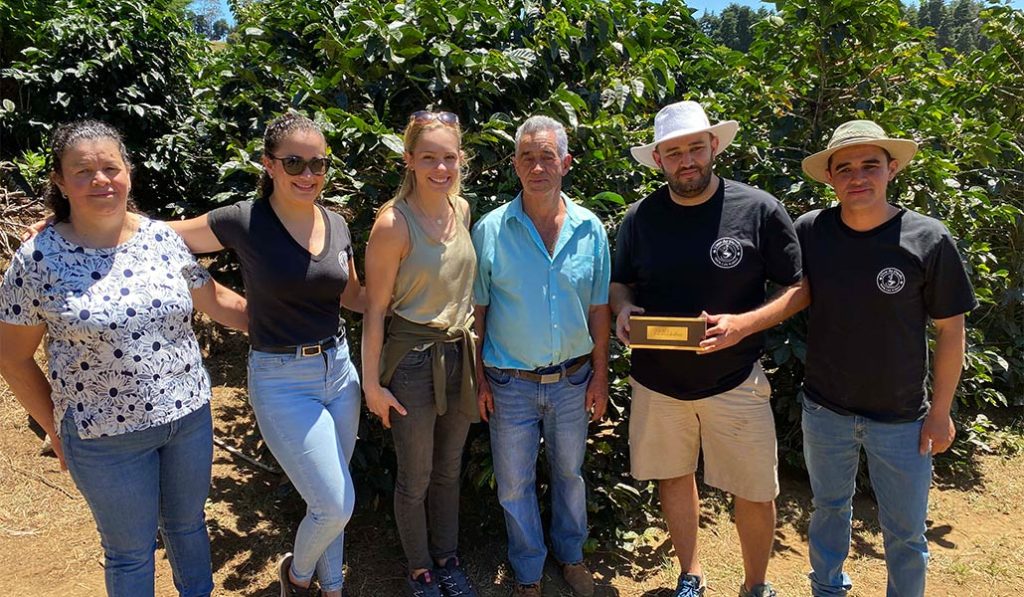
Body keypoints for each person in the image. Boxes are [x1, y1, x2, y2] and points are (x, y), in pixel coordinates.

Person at [0, 120, 247, 597]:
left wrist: (298, 320)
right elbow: (12, 357)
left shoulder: (161, 239)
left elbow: (215, 301)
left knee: (188, 526)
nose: (100, 179)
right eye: (83, 170)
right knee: (131, 553)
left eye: (110, 167)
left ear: (128, 173)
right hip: (103, 437)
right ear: (59, 180)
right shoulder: (38, 260)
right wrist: (55, 426)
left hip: (188, 419)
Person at [611, 100, 804, 597]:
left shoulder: (758, 209)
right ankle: (691, 575)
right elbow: (620, 283)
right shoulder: (640, 218)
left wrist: (745, 324)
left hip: (735, 378)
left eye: (696, 147)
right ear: (659, 160)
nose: (687, 160)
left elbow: (798, 288)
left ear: (714, 146)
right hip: (658, 383)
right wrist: (624, 310)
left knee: (755, 490)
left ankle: (755, 585)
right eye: (674, 153)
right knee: (674, 478)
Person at [168, 113, 365, 597]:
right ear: (269, 165)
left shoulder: (336, 224)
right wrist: (78, 222)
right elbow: (163, 236)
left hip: (339, 370)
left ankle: (333, 587)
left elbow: (356, 297)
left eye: (317, 163)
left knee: (334, 491)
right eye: (294, 161)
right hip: (281, 379)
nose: (308, 174)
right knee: (334, 503)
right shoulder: (245, 220)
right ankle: (297, 577)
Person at [796, 120, 976, 597]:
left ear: (891, 169)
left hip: (901, 418)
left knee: (906, 533)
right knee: (828, 509)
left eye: (870, 165)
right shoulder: (811, 232)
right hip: (824, 409)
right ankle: (827, 588)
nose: (859, 177)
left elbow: (951, 331)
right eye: (846, 168)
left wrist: (940, 412)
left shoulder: (928, 238)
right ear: (830, 178)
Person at [472, 115, 611, 597]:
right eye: (527, 157)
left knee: (570, 475)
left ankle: (571, 556)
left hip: (573, 382)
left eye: (547, 156)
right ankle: (528, 570)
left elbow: (599, 311)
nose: (537, 166)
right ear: (514, 164)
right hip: (509, 384)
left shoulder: (591, 230)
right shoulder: (490, 230)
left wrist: (600, 378)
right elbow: (479, 313)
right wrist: (480, 381)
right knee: (513, 485)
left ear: (566, 164)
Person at [361, 110, 478, 597]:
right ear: (409, 160)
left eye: (449, 157)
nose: (440, 168)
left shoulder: (462, 209)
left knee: (450, 469)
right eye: (428, 157)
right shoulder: (393, 224)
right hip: (411, 361)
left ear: (460, 160)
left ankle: (447, 558)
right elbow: (374, 313)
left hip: (459, 356)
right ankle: (420, 569)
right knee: (416, 475)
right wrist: (372, 385)